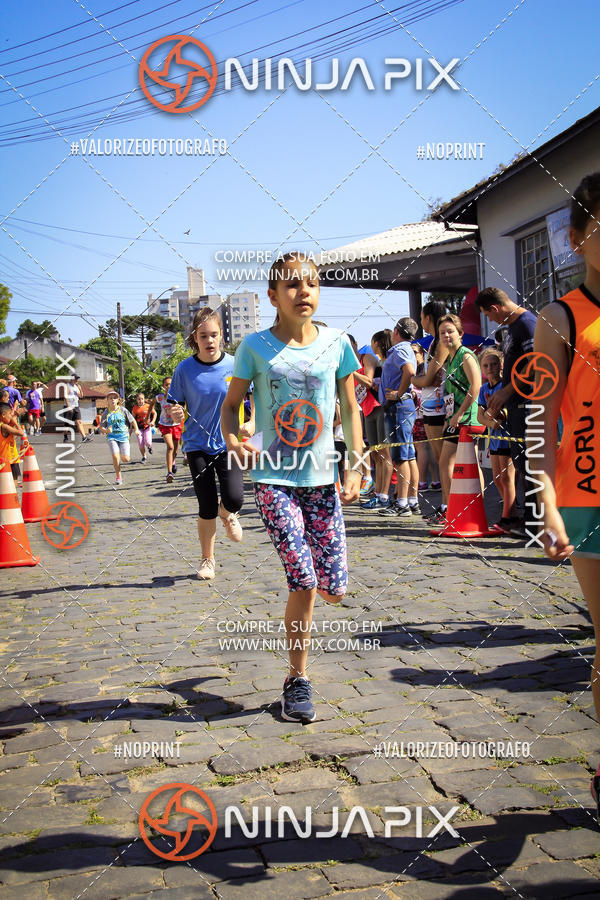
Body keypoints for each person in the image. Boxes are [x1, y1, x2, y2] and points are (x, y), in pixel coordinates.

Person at [221, 251, 362, 724]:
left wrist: (355, 465)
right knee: (302, 578)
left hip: (321, 479)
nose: (304, 292)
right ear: (273, 296)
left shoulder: (337, 343)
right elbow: (232, 406)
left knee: (333, 589)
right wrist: (234, 439)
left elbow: (351, 408)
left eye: (312, 284)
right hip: (273, 478)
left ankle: (315, 614)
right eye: (293, 285)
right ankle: (297, 680)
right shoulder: (254, 347)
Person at [533, 172, 600, 821]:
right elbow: (541, 421)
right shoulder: (561, 319)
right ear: (577, 238)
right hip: (588, 498)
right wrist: (548, 504)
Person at [168, 307, 248, 581]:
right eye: (203, 336)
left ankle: (228, 514)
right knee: (205, 505)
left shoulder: (236, 364)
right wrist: (176, 412)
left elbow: (254, 397)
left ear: (222, 335)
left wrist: (252, 423)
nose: (209, 340)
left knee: (235, 498)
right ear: (195, 338)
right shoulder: (184, 369)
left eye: (214, 334)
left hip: (229, 442)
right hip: (196, 445)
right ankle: (207, 560)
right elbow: (174, 404)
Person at [475, 287, 538, 538]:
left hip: (528, 405)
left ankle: (537, 525)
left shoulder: (526, 323)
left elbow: (537, 363)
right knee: (523, 465)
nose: (490, 320)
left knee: (531, 466)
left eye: (488, 315)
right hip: (515, 408)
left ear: (495, 308)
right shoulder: (512, 327)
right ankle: (530, 521)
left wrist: (506, 391)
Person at [431, 314, 482, 525]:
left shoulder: (465, 355)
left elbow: (476, 386)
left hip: (468, 419)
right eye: (442, 332)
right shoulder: (450, 359)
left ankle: (461, 509)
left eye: (450, 331)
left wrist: (460, 413)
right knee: (452, 463)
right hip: (454, 418)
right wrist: (449, 415)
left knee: (453, 463)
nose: (446, 336)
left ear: (460, 333)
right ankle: (454, 509)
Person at [377, 317, 420, 518]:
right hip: (402, 406)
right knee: (409, 455)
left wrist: (399, 393)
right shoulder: (407, 349)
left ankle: (402, 503)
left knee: (401, 456)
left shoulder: (400, 349)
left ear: (396, 331)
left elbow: (409, 371)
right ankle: (412, 500)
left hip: (398, 407)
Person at [477, 349, 515, 533]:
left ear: (501, 365)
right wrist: (491, 422)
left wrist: (499, 415)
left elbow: (509, 410)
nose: (490, 368)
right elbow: (480, 416)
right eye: (486, 365)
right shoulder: (483, 389)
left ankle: (507, 517)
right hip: (494, 438)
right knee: (498, 478)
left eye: (493, 364)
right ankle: (511, 512)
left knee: (507, 478)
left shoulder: (506, 386)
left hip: (508, 437)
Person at [411, 299, 447, 478]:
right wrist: (421, 379)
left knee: (444, 457)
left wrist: (412, 379)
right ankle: (445, 495)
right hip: (430, 404)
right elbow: (426, 378)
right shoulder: (433, 342)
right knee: (439, 456)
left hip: (439, 405)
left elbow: (428, 379)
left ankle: (448, 495)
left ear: (428, 318)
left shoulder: (441, 343)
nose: (421, 322)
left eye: (421, 318)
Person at [360, 329, 394, 508]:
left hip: (380, 407)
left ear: (377, 343)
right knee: (376, 454)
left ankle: (384, 495)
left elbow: (369, 381)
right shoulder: (381, 360)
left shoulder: (370, 358)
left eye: (372, 341)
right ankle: (378, 493)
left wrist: (352, 373)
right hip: (367, 409)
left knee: (384, 453)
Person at [347, 335, 379, 495]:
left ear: (355, 344)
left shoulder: (366, 358)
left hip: (376, 406)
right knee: (363, 446)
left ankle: (369, 479)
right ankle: (372, 484)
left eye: (348, 345)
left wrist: (351, 372)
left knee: (374, 448)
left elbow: (368, 382)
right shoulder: (346, 363)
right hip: (361, 408)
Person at [411, 342, 439, 493]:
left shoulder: (422, 369)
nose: (412, 355)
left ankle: (422, 481)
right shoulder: (418, 368)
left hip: (422, 412)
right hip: (424, 412)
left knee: (422, 447)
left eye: (415, 352)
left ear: (422, 354)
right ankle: (435, 480)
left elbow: (426, 387)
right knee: (428, 447)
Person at [98, 390, 139, 485]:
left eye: (114, 398)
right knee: (116, 457)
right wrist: (107, 431)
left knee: (125, 459)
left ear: (118, 400)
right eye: (110, 398)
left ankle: (122, 453)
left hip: (124, 437)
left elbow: (133, 421)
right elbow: (101, 427)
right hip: (112, 438)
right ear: (107, 400)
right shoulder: (106, 413)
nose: (112, 400)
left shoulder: (123, 410)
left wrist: (136, 430)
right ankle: (118, 477)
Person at [150, 376, 181, 483]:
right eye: (166, 384)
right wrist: (149, 415)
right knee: (170, 447)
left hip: (176, 425)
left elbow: (183, 408)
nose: (168, 386)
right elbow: (152, 403)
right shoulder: (160, 397)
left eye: (170, 384)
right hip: (164, 425)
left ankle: (173, 462)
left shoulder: (177, 397)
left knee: (175, 450)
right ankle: (169, 473)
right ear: (163, 386)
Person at [0, 402, 26, 486]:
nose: (10, 416)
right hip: (10, 459)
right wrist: (15, 422)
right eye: (9, 414)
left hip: (3, 459)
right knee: (12, 485)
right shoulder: (4, 427)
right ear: (3, 415)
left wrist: (15, 416)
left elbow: (13, 435)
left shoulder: (3, 426)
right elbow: (21, 433)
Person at [62, 374, 88, 442]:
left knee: (79, 422)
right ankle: (65, 437)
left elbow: (81, 396)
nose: (77, 380)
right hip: (69, 406)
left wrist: (80, 389)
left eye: (77, 379)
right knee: (67, 423)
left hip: (76, 406)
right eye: (76, 378)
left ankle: (84, 437)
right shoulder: (68, 386)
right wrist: (68, 407)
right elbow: (65, 397)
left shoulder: (76, 387)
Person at [131, 392, 155, 463]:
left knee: (148, 442)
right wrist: (131, 429)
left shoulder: (148, 406)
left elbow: (155, 413)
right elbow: (132, 419)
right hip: (138, 428)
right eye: (139, 399)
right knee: (140, 443)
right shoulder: (135, 408)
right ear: (136, 400)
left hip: (147, 427)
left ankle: (149, 447)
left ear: (144, 399)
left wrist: (153, 421)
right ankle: (144, 457)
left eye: (142, 399)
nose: (140, 400)